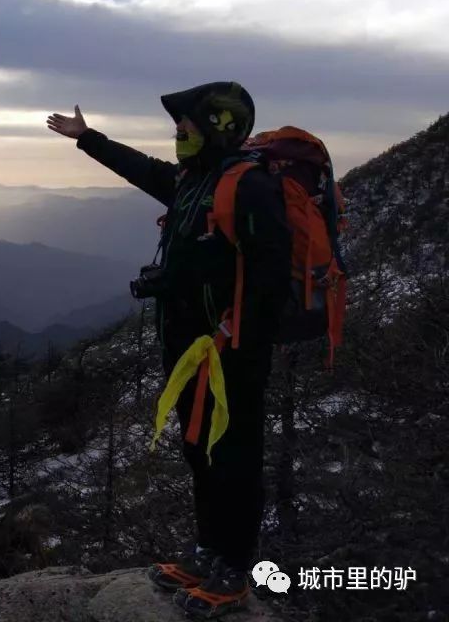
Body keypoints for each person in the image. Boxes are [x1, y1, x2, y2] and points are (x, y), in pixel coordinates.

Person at [47, 82, 291, 618]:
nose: (175, 136)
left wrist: (236, 338)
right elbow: (145, 171)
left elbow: (274, 281)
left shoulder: (247, 189)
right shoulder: (195, 180)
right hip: (188, 348)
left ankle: (235, 570)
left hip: (231, 354)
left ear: (215, 128)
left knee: (234, 454)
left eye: (183, 129)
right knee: (199, 448)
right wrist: (89, 140)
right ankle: (208, 552)